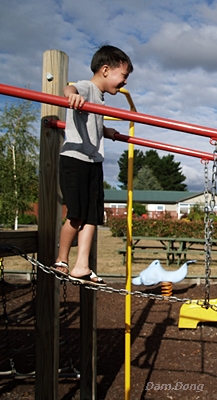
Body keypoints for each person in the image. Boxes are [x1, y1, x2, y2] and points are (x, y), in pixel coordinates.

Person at [51, 45, 134, 286]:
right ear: (106, 70)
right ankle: (62, 260)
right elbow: (71, 88)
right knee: (76, 215)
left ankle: (82, 265)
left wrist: (106, 130)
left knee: (92, 217)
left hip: (94, 161)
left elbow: (91, 123)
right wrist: (71, 96)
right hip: (75, 158)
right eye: (124, 75)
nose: (124, 82)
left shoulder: (101, 99)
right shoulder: (87, 88)